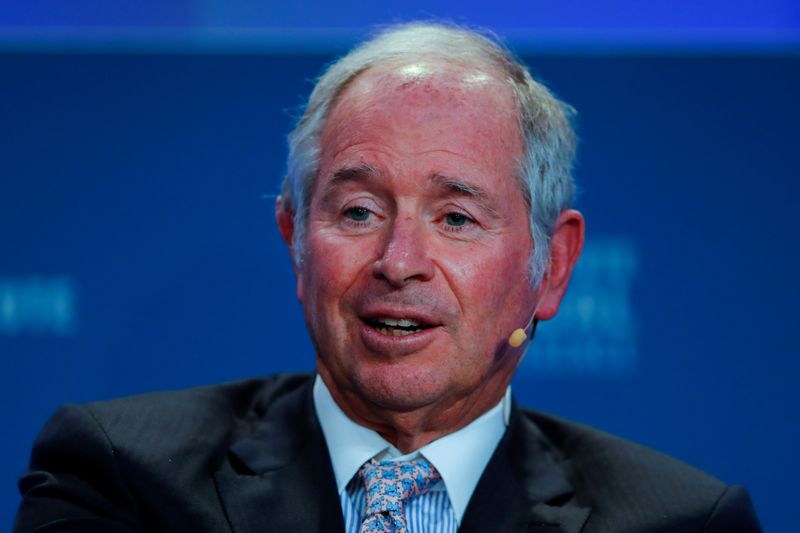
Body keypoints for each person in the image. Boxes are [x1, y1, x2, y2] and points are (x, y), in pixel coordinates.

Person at [15, 22, 761, 533]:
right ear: (295, 239)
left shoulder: (683, 520)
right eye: (360, 210)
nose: (399, 261)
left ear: (552, 266)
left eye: (456, 218)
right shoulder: (122, 479)